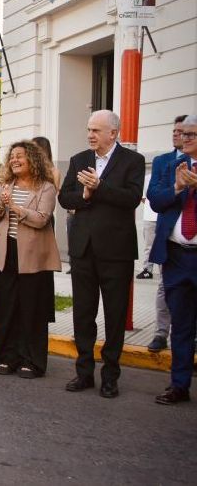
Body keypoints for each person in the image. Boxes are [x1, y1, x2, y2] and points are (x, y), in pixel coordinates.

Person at [59, 110, 145, 399]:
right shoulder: (79, 160)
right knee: (83, 314)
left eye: (96, 130)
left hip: (116, 253)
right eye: (88, 129)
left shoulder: (133, 161)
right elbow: (64, 197)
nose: (90, 135)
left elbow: (131, 198)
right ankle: (84, 372)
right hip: (83, 250)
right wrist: (83, 196)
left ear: (113, 133)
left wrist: (99, 187)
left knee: (115, 315)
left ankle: (110, 376)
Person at [0, 141, 61, 378]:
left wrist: (16, 209)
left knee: (31, 309)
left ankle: (32, 360)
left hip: (33, 256)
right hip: (7, 252)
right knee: (6, 308)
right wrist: (1, 203)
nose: (14, 160)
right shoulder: (6, 185)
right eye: (12, 157)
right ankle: (6, 357)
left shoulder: (46, 187)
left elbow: (41, 219)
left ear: (33, 160)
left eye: (20, 156)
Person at [147, 114, 197, 405]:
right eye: (182, 133)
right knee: (180, 325)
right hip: (176, 256)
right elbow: (154, 198)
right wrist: (178, 188)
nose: (184, 138)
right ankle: (179, 385)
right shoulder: (168, 164)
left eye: (191, 134)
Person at [144, 115, 187, 351]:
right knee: (164, 287)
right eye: (174, 130)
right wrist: (177, 188)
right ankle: (161, 333)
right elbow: (156, 199)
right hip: (170, 239)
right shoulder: (163, 162)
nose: (176, 134)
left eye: (182, 131)